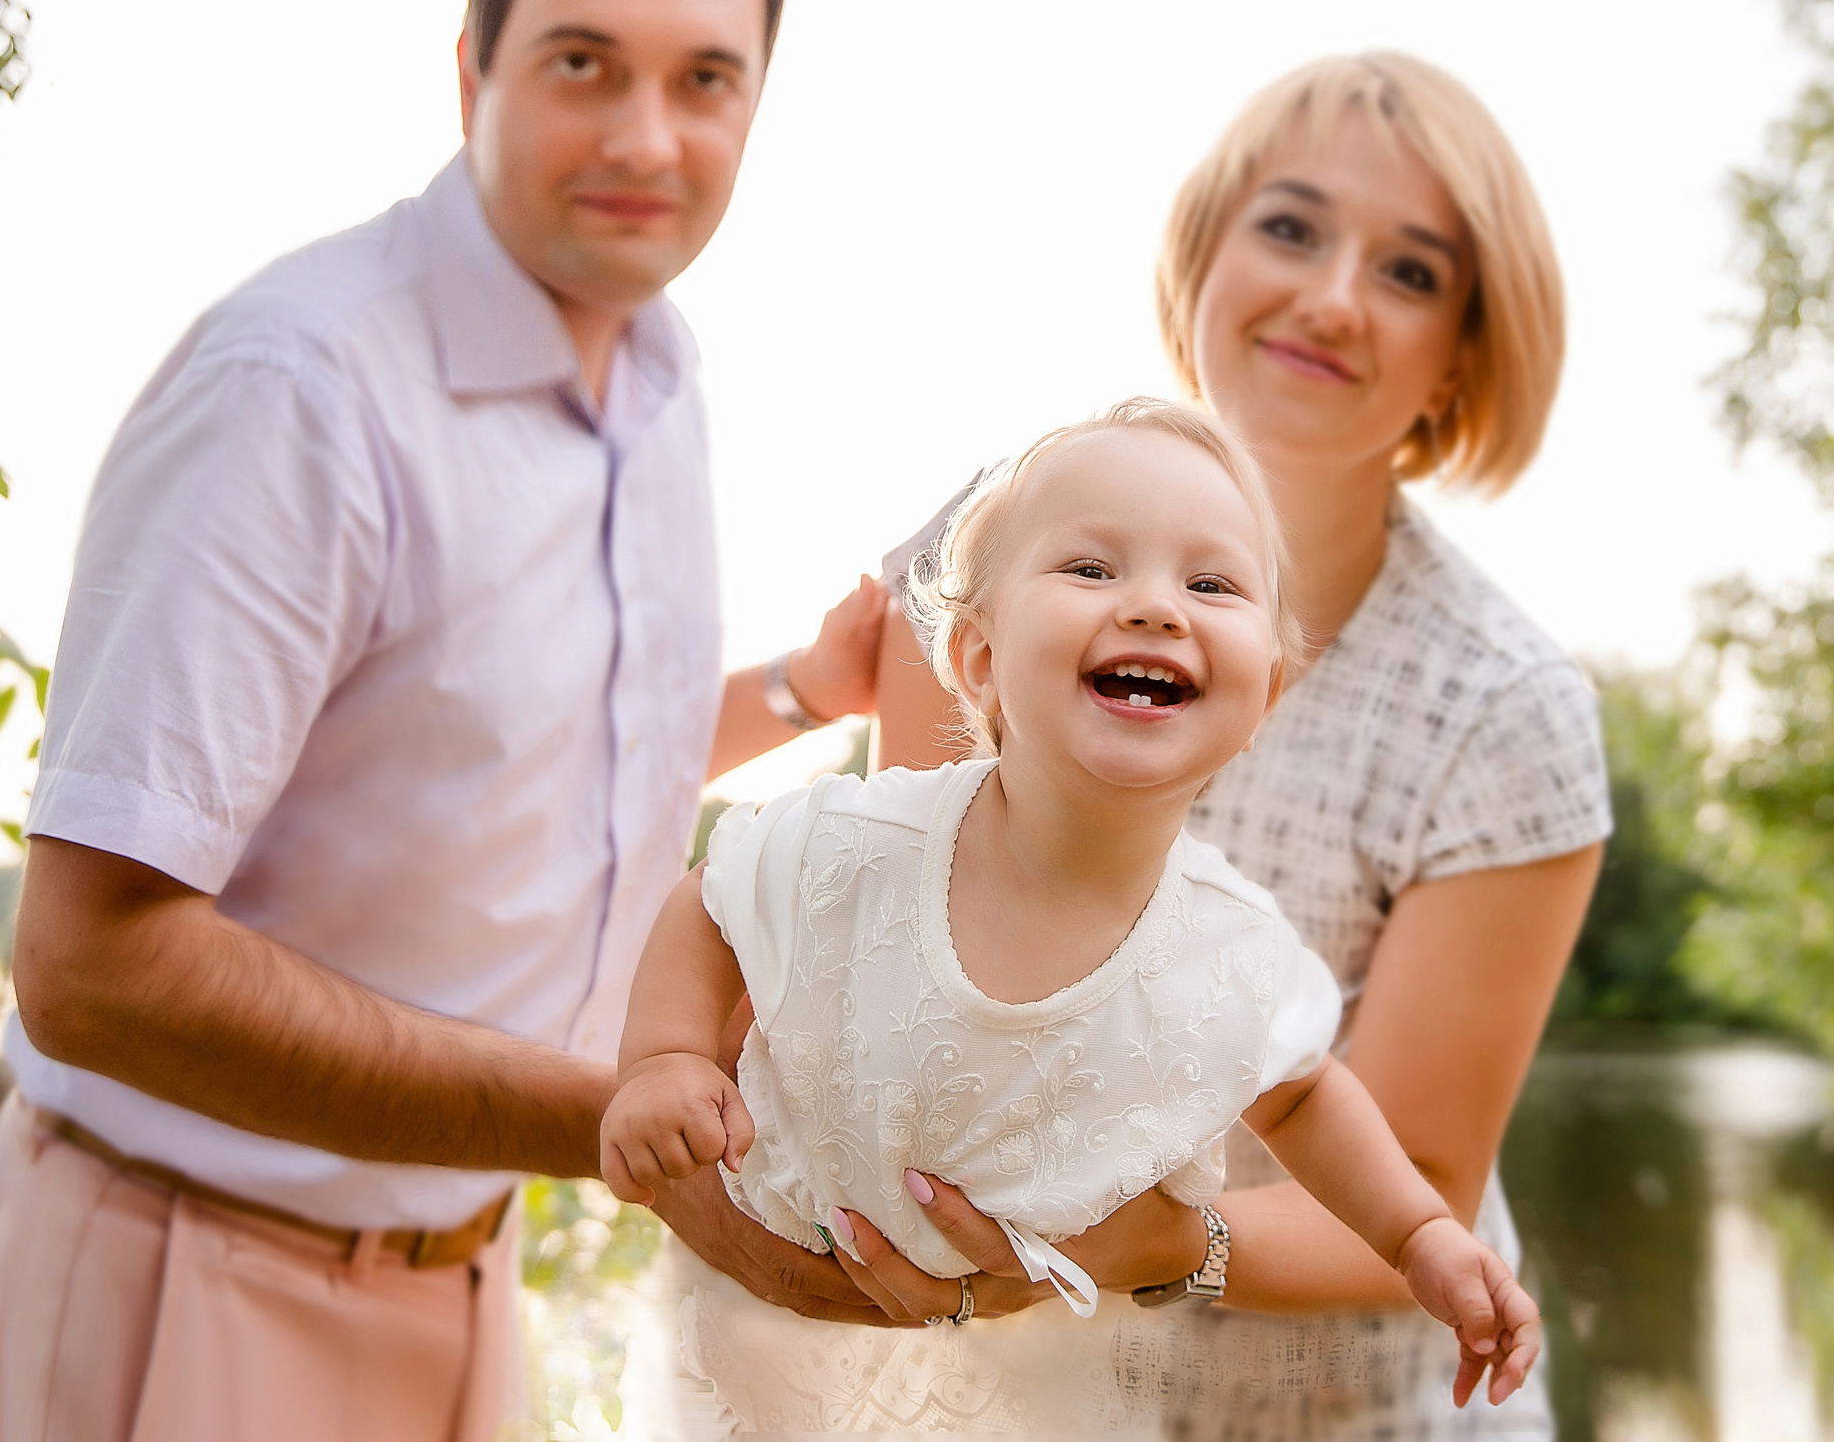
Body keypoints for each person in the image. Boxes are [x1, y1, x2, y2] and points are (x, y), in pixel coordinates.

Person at [0, 0, 892, 1442]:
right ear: (473, 72)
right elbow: (89, 969)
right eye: (584, 62)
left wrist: (805, 689)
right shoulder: (299, 394)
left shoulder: (659, 375)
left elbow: (513, 749)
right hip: (187, 1283)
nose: (647, 137)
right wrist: (624, 1118)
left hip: (466, 1275)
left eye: (706, 79)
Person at [832, 53, 1611, 1440]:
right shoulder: (981, 553)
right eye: (1292, 227)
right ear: (1204, 256)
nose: (1330, 295)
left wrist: (1150, 1244)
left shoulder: (1501, 706)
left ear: (1464, 363)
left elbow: (1416, 1180)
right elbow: (890, 990)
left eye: (1412, 273)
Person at [603, 401, 1544, 1433]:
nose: (1153, 607)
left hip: (1028, 1384)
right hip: (773, 1350)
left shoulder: (1227, 948)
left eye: (1211, 584)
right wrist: (663, 1060)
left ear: (1262, 697)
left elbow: (1303, 1096)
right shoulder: (862, 841)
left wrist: (1418, 1238)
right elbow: (714, 895)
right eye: (1090, 570)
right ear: (975, 659)